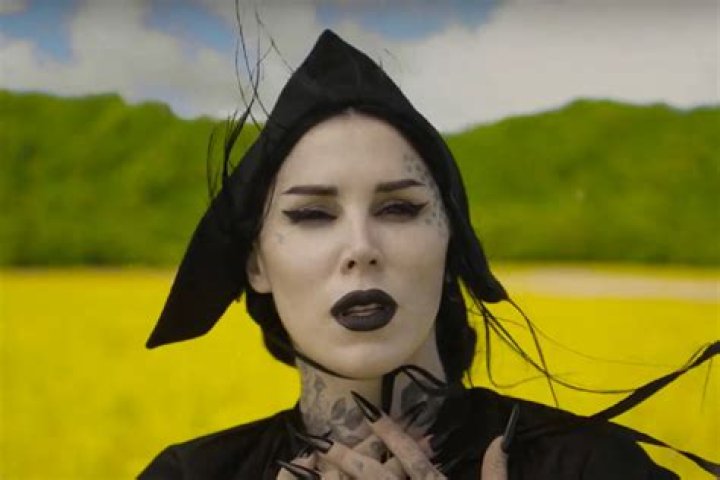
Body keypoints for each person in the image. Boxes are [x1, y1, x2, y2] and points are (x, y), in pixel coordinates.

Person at [139, 30, 718, 479]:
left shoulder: (594, 469)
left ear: (450, 241)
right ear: (256, 264)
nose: (361, 248)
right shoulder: (190, 475)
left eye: (399, 209)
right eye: (313, 214)